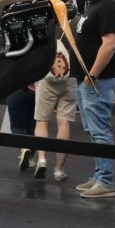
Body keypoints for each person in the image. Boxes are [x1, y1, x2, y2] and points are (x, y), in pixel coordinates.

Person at [70, 0, 115, 199]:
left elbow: (109, 44)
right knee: (93, 132)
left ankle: (106, 181)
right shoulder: (91, 7)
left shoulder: (107, 7)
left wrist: (94, 74)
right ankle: (100, 175)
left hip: (97, 81)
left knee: (100, 132)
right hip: (86, 80)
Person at [31, 48, 76, 182]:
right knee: (64, 123)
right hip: (70, 74)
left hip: (46, 75)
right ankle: (58, 169)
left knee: (42, 121)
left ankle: (42, 160)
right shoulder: (74, 31)